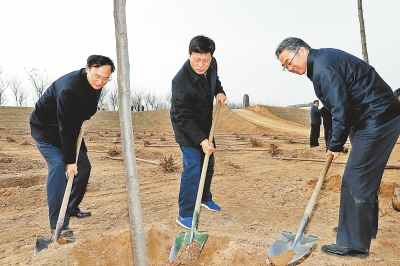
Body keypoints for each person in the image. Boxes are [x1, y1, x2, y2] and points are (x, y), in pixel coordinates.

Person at [275, 37, 400, 258]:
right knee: (364, 176)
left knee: (356, 176)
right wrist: (341, 138)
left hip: (377, 118)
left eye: (289, 61)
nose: (290, 67)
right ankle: (361, 228)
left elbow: (340, 108)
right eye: (285, 66)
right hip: (370, 117)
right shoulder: (321, 63)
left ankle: (354, 243)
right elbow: (340, 105)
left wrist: (335, 145)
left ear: (302, 50)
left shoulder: (323, 68)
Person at [30, 55, 115, 237]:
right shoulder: (69, 89)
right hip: (46, 129)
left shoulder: (95, 84)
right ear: (87, 68)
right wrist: (69, 161)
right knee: (59, 166)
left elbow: (84, 109)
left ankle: (70, 207)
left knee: (84, 168)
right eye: (96, 76)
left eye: (105, 78)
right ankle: (58, 224)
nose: (100, 81)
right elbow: (66, 128)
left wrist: (84, 114)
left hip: (69, 126)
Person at [170, 35, 227, 229]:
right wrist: (201, 140)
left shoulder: (212, 63)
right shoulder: (180, 82)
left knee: (209, 161)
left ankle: (204, 197)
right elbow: (183, 117)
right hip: (185, 125)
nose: (202, 65)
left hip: (204, 121)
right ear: (189, 55)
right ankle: (185, 212)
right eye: (197, 60)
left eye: (206, 60)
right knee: (193, 165)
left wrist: (219, 91)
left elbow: (215, 79)